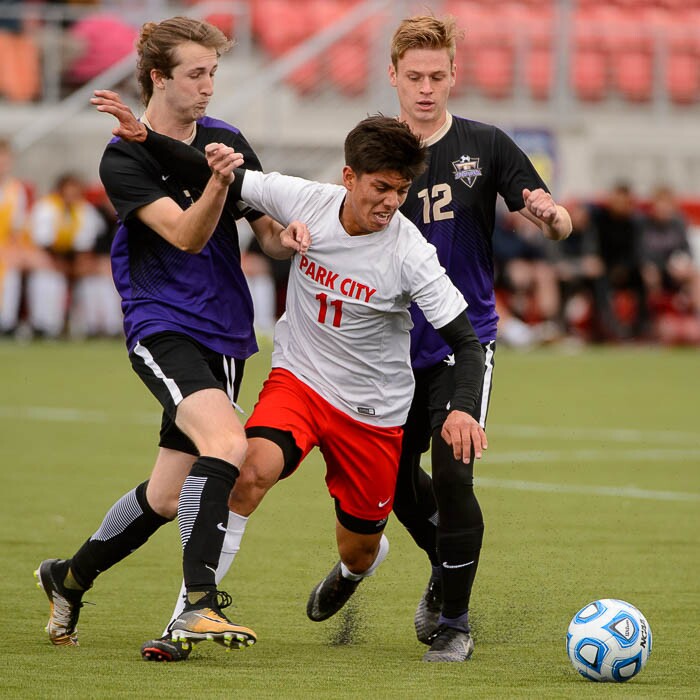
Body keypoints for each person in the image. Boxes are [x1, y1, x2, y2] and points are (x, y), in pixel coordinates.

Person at [103, 103, 488, 662]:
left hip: (372, 414)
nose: (390, 203)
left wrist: (462, 407)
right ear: (348, 177)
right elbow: (217, 174)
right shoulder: (305, 199)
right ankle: (186, 619)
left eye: (401, 191)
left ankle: (358, 569)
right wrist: (145, 138)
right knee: (246, 472)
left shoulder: (411, 255)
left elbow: (468, 343)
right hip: (299, 382)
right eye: (381, 187)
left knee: (359, 548)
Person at [35, 16, 308, 652]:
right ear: (158, 78)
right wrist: (216, 180)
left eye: (213, 72)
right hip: (162, 323)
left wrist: (283, 238)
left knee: (163, 498)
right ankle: (198, 604)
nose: (209, 86)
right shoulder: (122, 154)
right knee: (227, 440)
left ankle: (67, 579)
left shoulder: (225, 137)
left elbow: (260, 225)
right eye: (196, 74)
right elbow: (187, 234)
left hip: (226, 331)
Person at [386, 15, 572, 662]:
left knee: (454, 472)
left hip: (466, 341)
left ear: (453, 75)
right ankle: (446, 569)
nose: (427, 88)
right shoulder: (376, 148)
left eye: (438, 76)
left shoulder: (485, 144)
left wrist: (551, 216)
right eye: (415, 77)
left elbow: (553, 212)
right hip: (389, 348)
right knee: (392, 486)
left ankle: (455, 621)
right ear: (394, 76)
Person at [26, 171, 106, 338]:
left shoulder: (85, 210)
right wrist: (59, 265)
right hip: (50, 259)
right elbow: (43, 243)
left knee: (94, 280)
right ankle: (44, 325)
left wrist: (79, 265)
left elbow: (85, 245)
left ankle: (96, 327)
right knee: (48, 279)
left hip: (74, 260)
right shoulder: (46, 207)